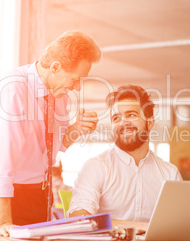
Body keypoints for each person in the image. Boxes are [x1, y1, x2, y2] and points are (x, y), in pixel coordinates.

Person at [0, 31, 101, 239]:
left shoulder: (57, 93)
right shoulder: (13, 90)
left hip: (40, 193)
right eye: (75, 79)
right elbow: (0, 160)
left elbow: (58, 144)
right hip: (9, 196)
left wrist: (76, 129)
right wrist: (4, 222)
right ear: (55, 67)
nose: (77, 87)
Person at [68, 85, 183, 231]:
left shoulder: (170, 174)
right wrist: (142, 227)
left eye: (131, 115)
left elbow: (179, 227)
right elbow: (79, 220)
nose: (123, 123)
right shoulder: (95, 167)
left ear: (150, 122)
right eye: (116, 118)